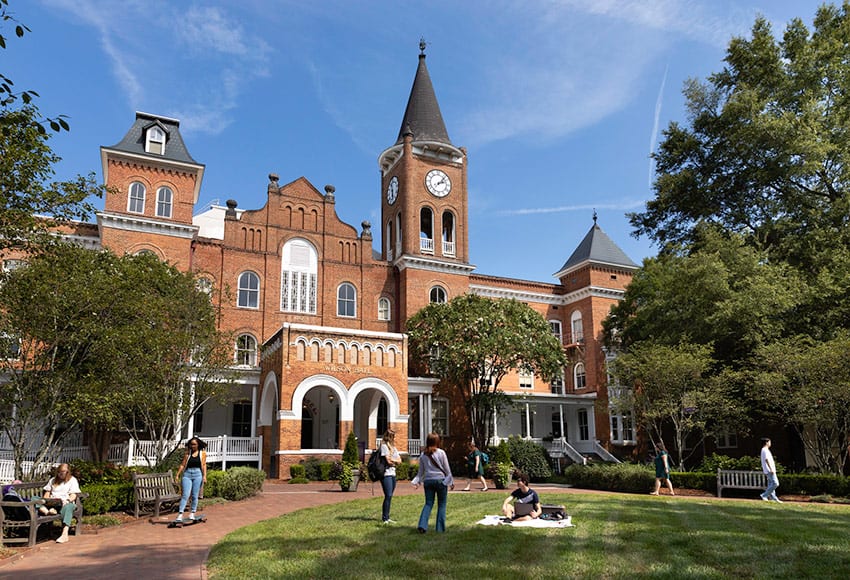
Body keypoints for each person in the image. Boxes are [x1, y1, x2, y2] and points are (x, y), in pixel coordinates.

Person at [411, 432, 454, 533]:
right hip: (440, 481)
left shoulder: (423, 455)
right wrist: (450, 482)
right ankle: (440, 529)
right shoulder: (441, 453)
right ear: (437, 441)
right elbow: (447, 470)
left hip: (428, 481)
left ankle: (422, 525)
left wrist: (416, 482)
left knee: (428, 504)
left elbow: (420, 472)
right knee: (442, 504)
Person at [41, 463, 81, 543]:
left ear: (68, 472)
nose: (61, 473)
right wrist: (47, 500)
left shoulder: (72, 480)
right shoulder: (52, 480)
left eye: (63, 472)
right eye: (59, 472)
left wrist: (68, 500)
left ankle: (64, 533)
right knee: (35, 499)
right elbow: (47, 493)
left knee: (69, 507)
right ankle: (48, 512)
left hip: (65, 502)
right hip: (53, 503)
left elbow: (74, 494)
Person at [175, 437, 208, 522]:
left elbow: (204, 465)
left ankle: (192, 513)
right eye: (191, 444)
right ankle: (180, 514)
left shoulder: (202, 453)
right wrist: (177, 475)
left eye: (194, 444)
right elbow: (183, 465)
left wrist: (204, 476)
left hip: (198, 475)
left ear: (198, 445)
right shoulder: (187, 453)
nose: (192, 446)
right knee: (185, 495)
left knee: (194, 495)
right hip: (187, 474)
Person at [379, 428, 402, 524]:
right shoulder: (384, 447)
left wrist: (393, 461)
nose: (394, 439)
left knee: (390, 496)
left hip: (393, 473)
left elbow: (400, 461)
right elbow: (388, 461)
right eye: (393, 437)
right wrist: (393, 460)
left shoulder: (394, 448)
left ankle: (387, 517)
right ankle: (385, 518)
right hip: (386, 474)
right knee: (388, 495)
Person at [760, 437, 782, 503]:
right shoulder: (764, 450)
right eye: (769, 442)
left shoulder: (765, 450)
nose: (770, 443)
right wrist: (771, 469)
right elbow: (766, 460)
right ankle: (764, 495)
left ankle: (774, 498)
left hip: (769, 470)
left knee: (771, 484)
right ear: (766, 442)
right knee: (776, 483)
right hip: (769, 470)